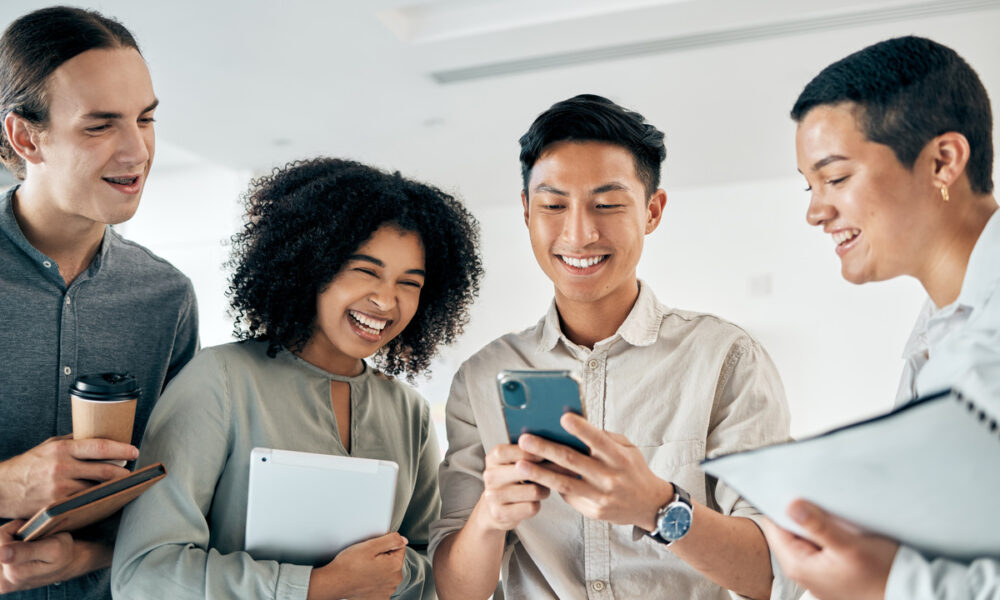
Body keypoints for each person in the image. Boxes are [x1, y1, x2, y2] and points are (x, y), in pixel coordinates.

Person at [430, 94, 800, 600]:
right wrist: (490, 518)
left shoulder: (725, 358)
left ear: (652, 210)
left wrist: (656, 506)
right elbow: (453, 591)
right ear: (525, 212)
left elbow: (774, 574)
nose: (579, 233)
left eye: (607, 204)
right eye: (554, 205)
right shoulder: (482, 377)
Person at [111, 158, 483, 600]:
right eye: (365, 270)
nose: (386, 299)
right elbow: (144, 574)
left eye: (410, 283)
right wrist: (318, 585)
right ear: (312, 264)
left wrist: (395, 574)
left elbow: (429, 564)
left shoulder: (410, 412)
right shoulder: (221, 381)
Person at [761, 36, 1000, 600]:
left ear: (943, 161)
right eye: (809, 185)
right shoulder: (941, 330)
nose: (816, 211)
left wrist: (891, 583)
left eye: (836, 178)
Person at [0, 6, 198, 598]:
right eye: (100, 125)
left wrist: (85, 553)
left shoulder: (167, 298)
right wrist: (9, 484)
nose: (137, 151)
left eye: (146, 118)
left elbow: (178, 499)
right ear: (25, 136)